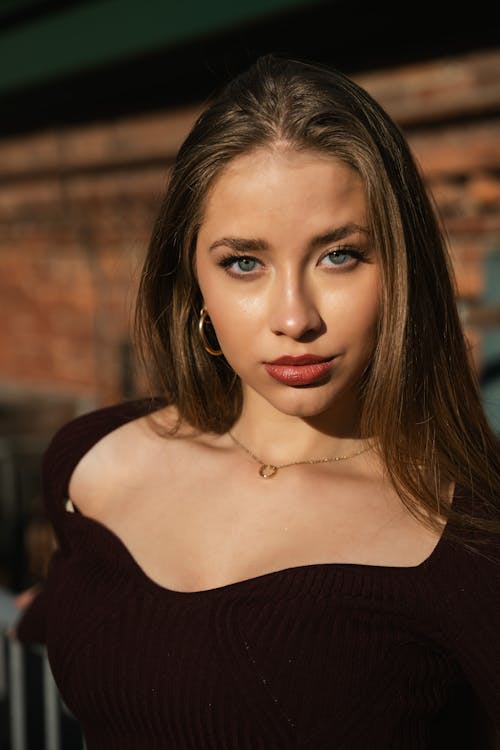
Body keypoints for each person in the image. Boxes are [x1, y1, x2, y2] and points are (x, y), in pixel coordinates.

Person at [14, 53, 500, 749]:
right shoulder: (89, 461)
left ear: (402, 267)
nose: (295, 317)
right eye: (244, 262)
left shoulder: (471, 541)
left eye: (339, 255)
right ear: (194, 281)